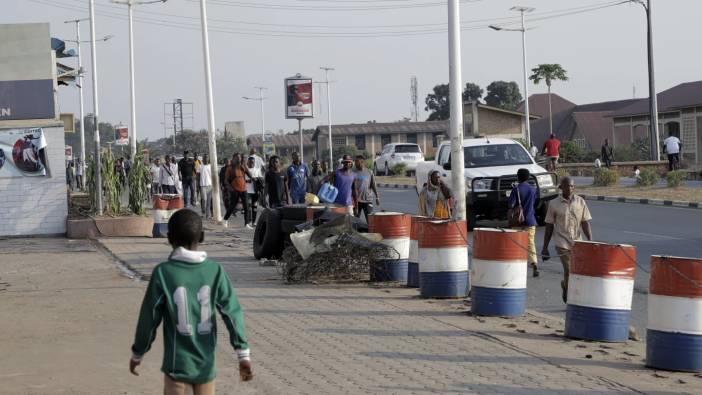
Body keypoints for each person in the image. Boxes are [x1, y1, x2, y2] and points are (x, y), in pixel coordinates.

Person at [128, 209, 253, 394]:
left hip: (176, 366)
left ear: (169, 238)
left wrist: (138, 352)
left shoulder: (163, 273)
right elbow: (232, 314)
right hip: (205, 366)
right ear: (202, 236)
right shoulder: (215, 271)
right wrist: (242, 353)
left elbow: (149, 318)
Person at [541, 176, 593, 303]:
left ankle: (566, 285)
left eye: (571, 186)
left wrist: (590, 241)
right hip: (561, 242)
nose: (569, 188)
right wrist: (545, 247)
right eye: (566, 186)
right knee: (569, 269)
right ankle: (571, 298)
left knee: (577, 270)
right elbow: (549, 227)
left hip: (577, 241)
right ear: (561, 187)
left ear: (574, 187)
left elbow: (585, 222)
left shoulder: (580, 202)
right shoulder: (554, 204)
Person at [508, 169, 539, 277]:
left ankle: (517, 267)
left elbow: (511, 205)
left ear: (518, 177)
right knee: (530, 243)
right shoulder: (533, 189)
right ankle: (534, 263)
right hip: (530, 220)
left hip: (517, 222)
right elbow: (534, 202)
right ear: (528, 177)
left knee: (516, 244)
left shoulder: (516, 189)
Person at [224, 154, 253, 228]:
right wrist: (230, 188)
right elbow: (226, 181)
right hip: (235, 190)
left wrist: (245, 167)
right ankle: (225, 219)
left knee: (246, 207)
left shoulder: (242, 166)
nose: (238, 159)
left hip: (244, 189)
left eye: (240, 158)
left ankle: (246, 224)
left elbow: (250, 176)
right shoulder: (230, 168)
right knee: (232, 206)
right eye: (237, 158)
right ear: (233, 159)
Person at [353, 154, 380, 221]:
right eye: (355, 161)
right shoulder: (353, 173)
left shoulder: (369, 172)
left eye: (357, 161)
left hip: (368, 200)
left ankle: (370, 231)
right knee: (355, 220)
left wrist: (377, 197)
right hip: (356, 201)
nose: (355, 163)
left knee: (370, 220)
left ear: (362, 162)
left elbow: (373, 185)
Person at [245, 156, 263, 226]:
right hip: (247, 191)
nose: (252, 163)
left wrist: (256, 179)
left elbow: (261, 179)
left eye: (253, 162)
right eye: (250, 162)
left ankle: (254, 221)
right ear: (248, 162)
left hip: (255, 191)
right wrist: (247, 180)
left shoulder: (257, 170)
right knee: (248, 207)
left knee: (254, 207)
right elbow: (242, 179)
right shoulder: (245, 170)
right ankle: (249, 221)